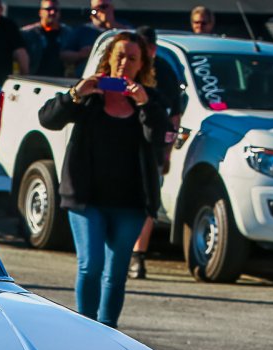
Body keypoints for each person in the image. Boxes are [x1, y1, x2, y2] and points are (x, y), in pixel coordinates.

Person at [39, 31, 171, 328]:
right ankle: (85, 329)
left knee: (116, 270)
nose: (125, 63)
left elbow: (161, 138)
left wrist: (144, 104)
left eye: (132, 58)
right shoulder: (91, 95)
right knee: (91, 265)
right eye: (120, 56)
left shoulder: (150, 100)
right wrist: (76, 93)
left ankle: (108, 331)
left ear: (142, 65)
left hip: (131, 202)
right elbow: (48, 119)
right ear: (109, 59)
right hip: (87, 199)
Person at [129, 26, 184, 279]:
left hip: (152, 146)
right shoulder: (123, 67)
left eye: (149, 47)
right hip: (121, 145)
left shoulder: (164, 71)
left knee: (147, 203)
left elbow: (174, 116)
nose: (146, 52)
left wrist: (168, 151)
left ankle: (139, 256)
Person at [61, 0, 126, 76]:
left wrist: (111, 24)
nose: (101, 11)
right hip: (88, 76)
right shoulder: (83, 30)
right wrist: (80, 54)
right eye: (96, 9)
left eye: (104, 7)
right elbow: (64, 54)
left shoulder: (123, 28)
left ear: (111, 7)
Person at [21, 0, 69, 77]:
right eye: (49, 9)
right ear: (40, 12)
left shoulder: (68, 33)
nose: (53, 12)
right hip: (35, 78)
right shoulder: (27, 33)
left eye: (56, 10)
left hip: (61, 80)